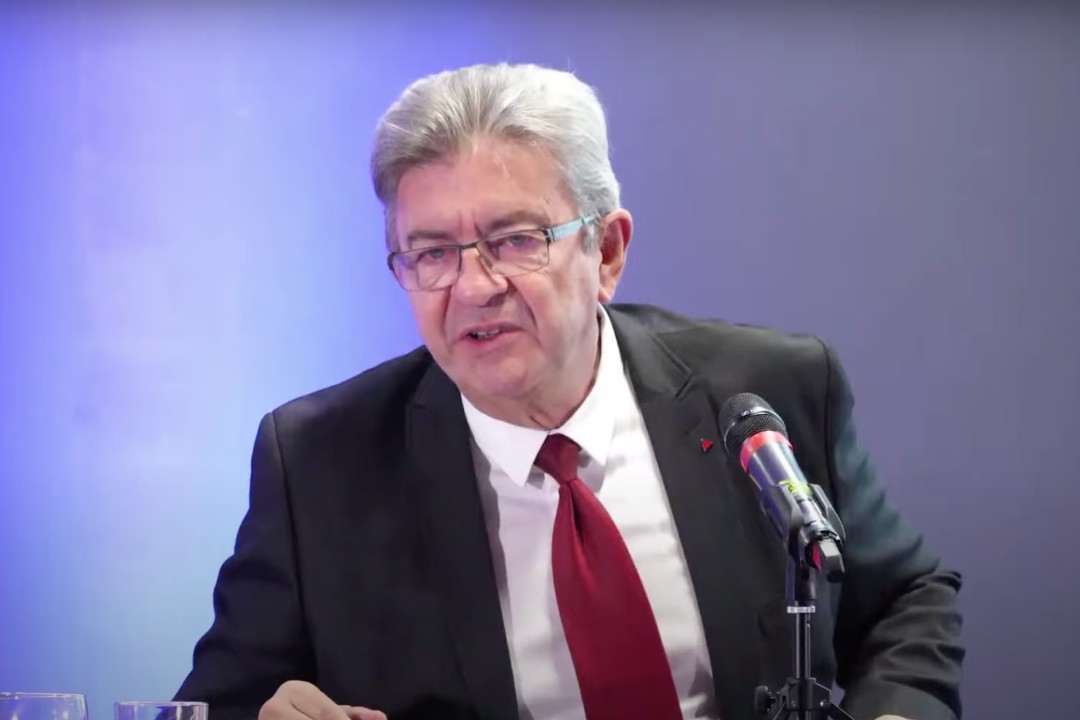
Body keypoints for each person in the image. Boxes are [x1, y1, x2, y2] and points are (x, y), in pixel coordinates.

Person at [174, 63, 964, 720]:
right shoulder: (320, 464)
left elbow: (904, 599)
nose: (473, 287)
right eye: (433, 253)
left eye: (516, 240)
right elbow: (217, 706)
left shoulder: (766, 392)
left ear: (607, 251)